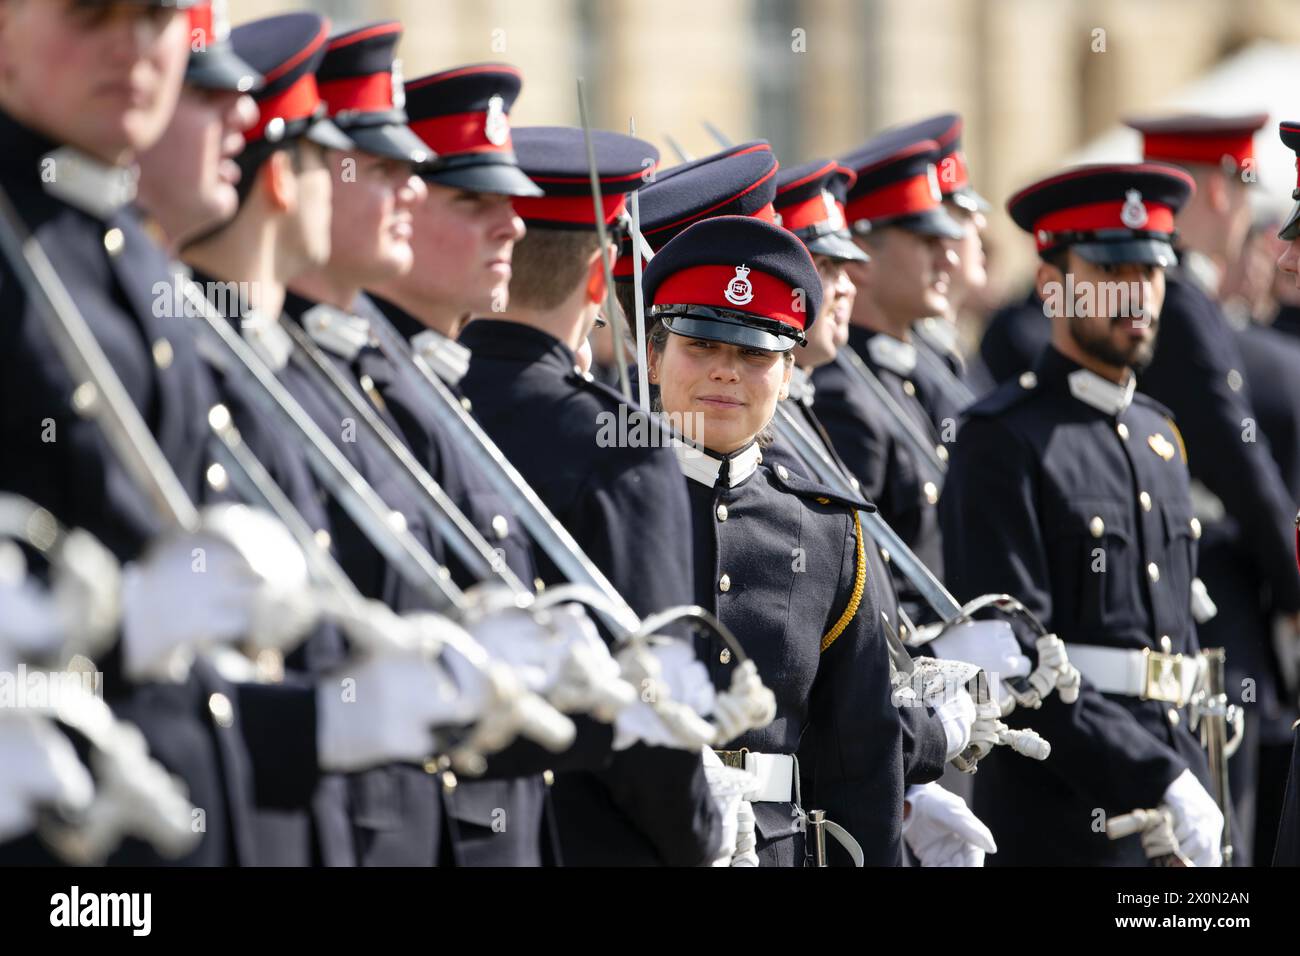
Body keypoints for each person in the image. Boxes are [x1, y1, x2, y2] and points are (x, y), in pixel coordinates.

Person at [941, 162, 1225, 866]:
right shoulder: (1002, 439)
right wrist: (1155, 776)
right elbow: (1016, 663)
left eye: (1153, 272)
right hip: (1072, 811)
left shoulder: (1160, 434)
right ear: (1051, 285)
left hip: (1182, 770)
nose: (1139, 295)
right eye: (1111, 271)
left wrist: (1185, 771)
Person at [458, 125, 724, 866]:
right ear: (600, 280)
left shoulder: (413, 400)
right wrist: (704, 833)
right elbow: (652, 714)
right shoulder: (620, 443)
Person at [641, 214, 907, 865]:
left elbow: (861, 755)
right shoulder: (603, 501)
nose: (726, 373)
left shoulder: (825, 527)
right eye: (700, 346)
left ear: (789, 373)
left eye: (756, 354)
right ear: (653, 356)